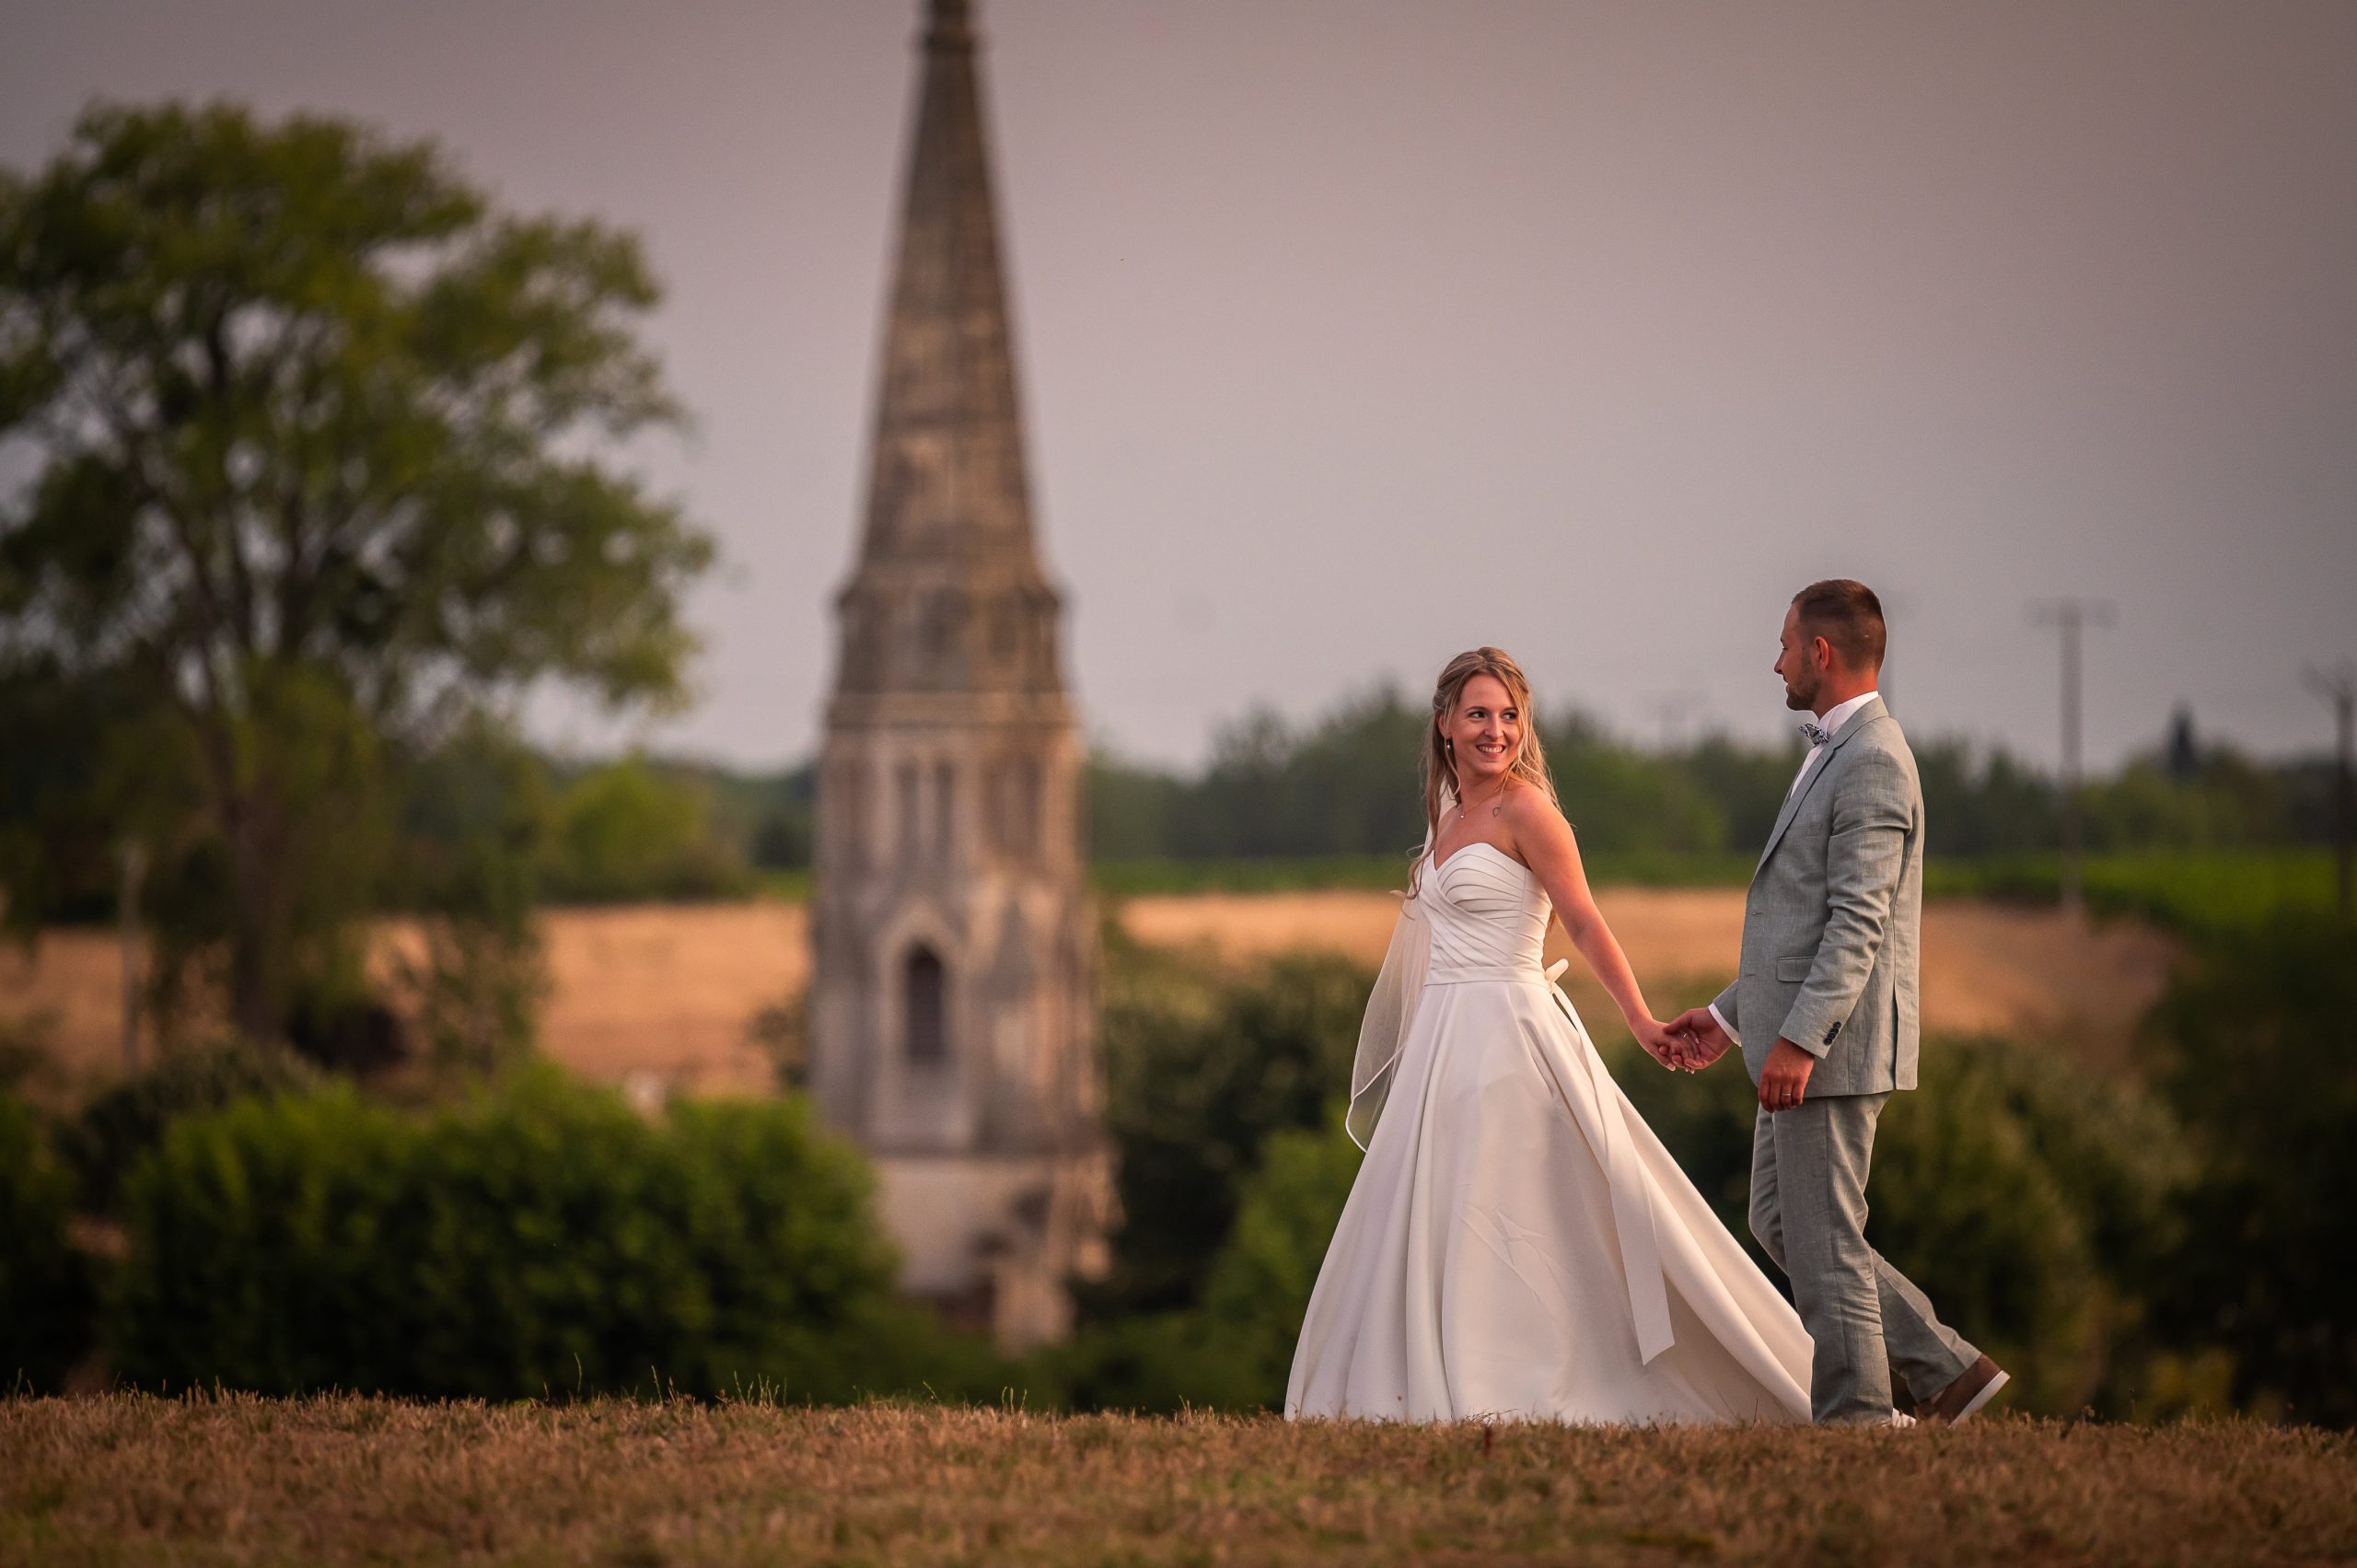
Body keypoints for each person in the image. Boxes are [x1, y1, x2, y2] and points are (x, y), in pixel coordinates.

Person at [1286, 646, 1815, 1423]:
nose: (1494, 730)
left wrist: (1638, 1019)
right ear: (1444, 726)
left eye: (1508, 716)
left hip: (1510, 1033)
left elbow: (1585, 919)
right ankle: (1423, 1378)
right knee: (1440, 1205)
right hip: (1443, 1037)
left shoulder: (1527, 809)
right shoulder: (1447, 816)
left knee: (1513, 1204)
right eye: (1477, 714)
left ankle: (1516, 1375)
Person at [1664, 579, 2008, 1426]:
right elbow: (1799, 928)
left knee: (1824, 1238)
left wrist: (1801, 1041)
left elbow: (1858, 923)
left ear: (1822, 652)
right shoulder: (1836, 753)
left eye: (1785, 643)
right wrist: (1726, 1016)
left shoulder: (1876, 761)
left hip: (1833, 1049)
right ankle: (1949, 1371)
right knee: (1784, 1220)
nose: (1775, 660)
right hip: (1796, 1037)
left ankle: (1855, 1419)